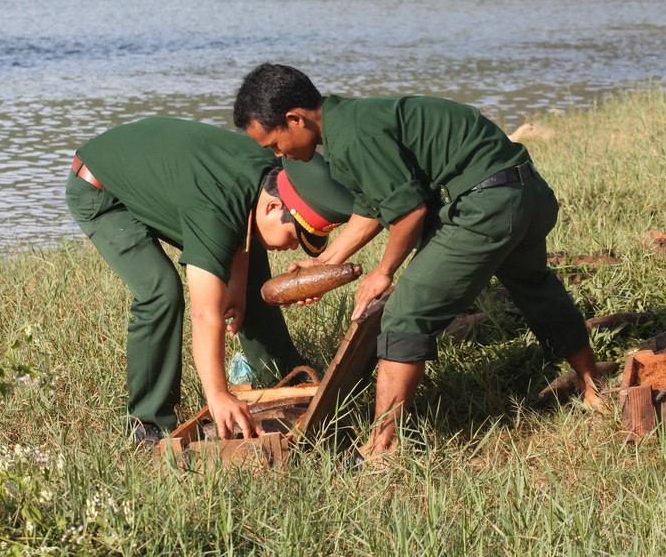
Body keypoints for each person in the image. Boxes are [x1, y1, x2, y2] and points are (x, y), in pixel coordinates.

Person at [233, 63, 603, 459]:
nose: (278, 155)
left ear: (295, 119)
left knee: (403, 317)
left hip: (485, 205)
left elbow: (410, 212)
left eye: (275, 144)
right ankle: (593, 388)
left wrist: (383, 272)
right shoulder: (353, 119)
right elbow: (374, 206)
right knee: (534, 285)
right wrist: (325, 260)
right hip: (525, 192)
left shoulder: (352, 138)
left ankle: (383, 447)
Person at [66, 117, 353, 447]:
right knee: (160, 290)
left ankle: (280, 374)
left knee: (252, 264)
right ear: (274, 206)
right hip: (101, 190)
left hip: (161, 177)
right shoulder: (214, 208)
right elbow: (204, 314)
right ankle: (147, 422)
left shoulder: (272, 171)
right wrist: (218, 394)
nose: (292, 246)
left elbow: (244, 218)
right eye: (294, 236)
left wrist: (238, 286)